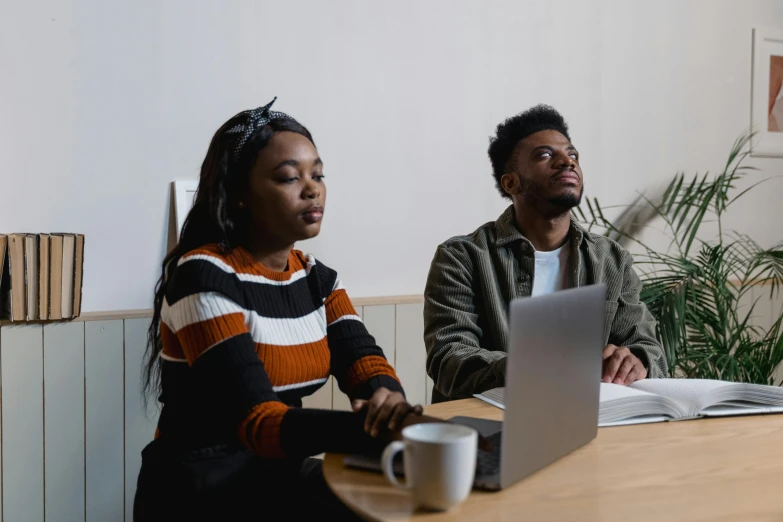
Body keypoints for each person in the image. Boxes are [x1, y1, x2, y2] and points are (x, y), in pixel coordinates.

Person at [134, 98, 435, 521]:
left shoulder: (318, 279)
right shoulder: (202, 274)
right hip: (200, 488)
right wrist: (372, 430)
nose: (312, 188)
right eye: (289, 177)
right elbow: (258, 422)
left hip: (277, 471)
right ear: (239, 194)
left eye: (318, 174)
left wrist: (386, 401)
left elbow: (363, 360)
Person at [424, 105, 668, 403]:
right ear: (511, 182)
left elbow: (647, 347)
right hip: (490, 429)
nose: (567, 162)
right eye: (545, 155)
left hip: (590, 423)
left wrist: (636, 361)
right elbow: (449, 361)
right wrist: (528, 367)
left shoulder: (611, 260)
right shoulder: (462, 258)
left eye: (573, 155)